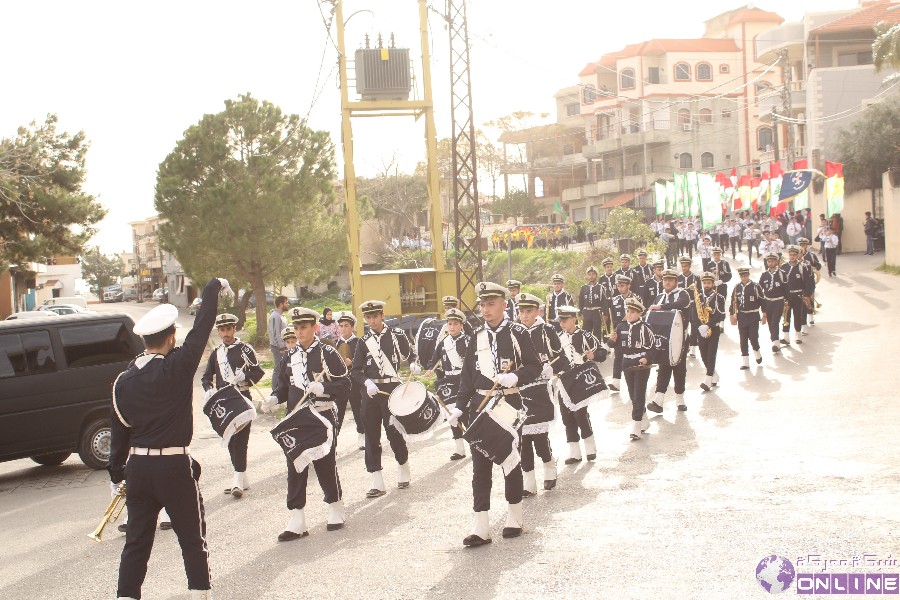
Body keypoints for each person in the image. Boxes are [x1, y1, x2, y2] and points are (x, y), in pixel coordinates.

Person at [108, 276, 228, 600]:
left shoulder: (123, 381)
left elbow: (119, 432)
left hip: (138, 470)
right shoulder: (176, 367)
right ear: (172, 337)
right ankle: (199, 595)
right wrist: (213, 288)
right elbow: (202, 328)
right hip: (173, 465)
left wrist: (116, 474)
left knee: (136, 543)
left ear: (144, 340)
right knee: (191, 538)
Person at [453, 282, 541, 547]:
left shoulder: (517, 333)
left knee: (510, 461)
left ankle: (515, 516)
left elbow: (535, 366)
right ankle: (481, 526)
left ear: (504, 305)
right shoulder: (476, 336)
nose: (485, 310)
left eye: (491, 304)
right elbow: (467, 377)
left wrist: (517, 375)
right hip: (480, 404)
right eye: (482, 305)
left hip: (508, 402)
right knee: (480, 467)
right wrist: (459, 406)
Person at [262, 307, 349, 542]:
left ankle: (335, 507)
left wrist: (325, 388)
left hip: (321, 416)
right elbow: (282, 387)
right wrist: (273, 398)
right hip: (296, 418)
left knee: (324, 463)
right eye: (296, 328)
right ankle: (297, 519)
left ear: (315, 328)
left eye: (304, 328)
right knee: (295, 467)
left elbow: (345, 386)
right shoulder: (289, 356)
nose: (299, 332)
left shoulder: (328, 353)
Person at [351, 300, 419, 498]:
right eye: (368, 317)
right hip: (371, 392)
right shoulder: (363, 342)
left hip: (392, 389)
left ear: (382, 315)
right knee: (371, 435)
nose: (372, 321)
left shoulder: (397, 335)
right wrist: (366, 383)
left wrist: (414, 365)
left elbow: (411, 355)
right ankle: (376, 480)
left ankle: (403, 466)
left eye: (375, 316)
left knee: (394, 432)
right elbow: (355, 370)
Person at [200, 313, 264, 498]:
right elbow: (206, 377)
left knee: (240, 440)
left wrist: (246, 377)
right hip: (224, 402)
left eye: (229, 329)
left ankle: (237, 480)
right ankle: (242, 477)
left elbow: (258, 372)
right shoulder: (216, 352)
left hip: (242, 398)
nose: (226, 333)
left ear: (234, 329)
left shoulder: (245, 349)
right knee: (230, 439)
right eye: (222, 330)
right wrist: (208, 390)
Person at [515, 294, 568, 494]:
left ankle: (549, 465)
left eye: (529, 311)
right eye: (521, 311)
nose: (525, 315)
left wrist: (551, 370)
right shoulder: (514, 331)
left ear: (538, 311)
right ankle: (528, 482)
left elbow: (561, 357)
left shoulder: (547, 330)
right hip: (520, 388)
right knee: (523, 439)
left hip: (540, 388)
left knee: (539, 437)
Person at [556, 305, 604, 463]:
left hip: (580, 379)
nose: (562, 323)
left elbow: (602, 353)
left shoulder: (585, 336)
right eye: (560, 320)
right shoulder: (557, 338)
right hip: (564, 381)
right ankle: (575, 452)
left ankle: (590, 448)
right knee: (566, 416)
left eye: (566, 320)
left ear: (574, 319)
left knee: (580, 415)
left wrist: (593, 354)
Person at [427, 308, 471, 462]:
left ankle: (474, 445)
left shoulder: (468, 341)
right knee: (452, 415)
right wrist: (430, 369)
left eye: (455, 324)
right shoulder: (443, 343)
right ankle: (459, 449)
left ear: (461, 325)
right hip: (448, 382)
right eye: (449, 323)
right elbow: (434, 359)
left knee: (466, 413)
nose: (452, 327)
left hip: (463, 380)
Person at [609, 297, 654, 441]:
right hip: (626, 362)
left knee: (639, 393)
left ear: (640, 313)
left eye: (633, 312)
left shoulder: (645, 327)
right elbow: (612, 345)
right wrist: (612, 340)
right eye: (627, 311)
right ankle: (644, 420)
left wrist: (646, 358)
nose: (629, 314)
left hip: (640, 364)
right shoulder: (621, 326)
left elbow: (653, 347)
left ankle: (636, 426)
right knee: (632, 394)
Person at [646, 269, 690, 413]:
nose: (668, 282)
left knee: (679, 368)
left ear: (676, 282)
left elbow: (680, 304)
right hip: (663, 340)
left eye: (671, 280)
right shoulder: (659, 297)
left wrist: (662, 307)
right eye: (665, 280)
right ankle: (658, 400)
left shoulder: (682, 294)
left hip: (680, 339)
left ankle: (680, 399)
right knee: (663, 367)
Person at [335, 312, 366, 449]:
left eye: (346, 326)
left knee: (357, 408)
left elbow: (365, 362)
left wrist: (352, 363)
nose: (343, 328)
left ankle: (362, 435)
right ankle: (334, 437)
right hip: (341, 383)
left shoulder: (359, 342)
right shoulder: (337, 343)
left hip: (355, 382)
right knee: (337, 411)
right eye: (341, 326)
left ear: (352, 327)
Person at [607, 275, 640, 392]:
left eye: (622, 286)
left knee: (632, 358)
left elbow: (641, 315)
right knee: (618, 357)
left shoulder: (636, 298)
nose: (620, 288)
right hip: (619, 332)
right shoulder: (615, 300)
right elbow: (613, 319)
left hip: (633, 331)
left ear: (628, 286)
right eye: (618, 286)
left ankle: (635, 384)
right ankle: (616, 383)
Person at [694, 272, 725, 391]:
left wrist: (708, 325)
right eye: (704, 283)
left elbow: (721, 315)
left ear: (713, 284)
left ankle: (707, 380)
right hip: (700, 330)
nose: (706, 285)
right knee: (703, 355)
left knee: (711, 354)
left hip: (713, 329)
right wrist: (699, 327)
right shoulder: (698, 297)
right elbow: (694, 314)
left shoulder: (719, 297)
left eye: (709, 283)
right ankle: (714, 375)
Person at [729, 268, 764, 369]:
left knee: (753, 338)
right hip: (742, 316)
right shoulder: (737, 287)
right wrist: (732, 314)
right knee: (743, 339)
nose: (744, 278)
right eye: (742, 276)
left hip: (753, 315)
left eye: (745, 276)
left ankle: (757, 353)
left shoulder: (755, 287)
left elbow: (762, 301)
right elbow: (733, 302)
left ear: (749, 275)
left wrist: (764, 314)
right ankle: (745, 362)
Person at [779, 246, 813, 345]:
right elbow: (780, 282)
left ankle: (798, 335)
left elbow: (807, 282)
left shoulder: (802, 267)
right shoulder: (783, 267)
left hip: (798, 295)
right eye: (790, 255)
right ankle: (786, 337)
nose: (792, 257)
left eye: (794, 255)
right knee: (786, 316)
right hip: (787, 296)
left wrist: (806, 295)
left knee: (797, 315)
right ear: (788, 255)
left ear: (798, 255)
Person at [758, 253, 788, 353]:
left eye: (773, 261)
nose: (770, 263)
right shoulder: (764, 275)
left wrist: (787, 300)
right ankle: (775, 340)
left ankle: (775, 343)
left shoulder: (781, 273)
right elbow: (759, 288)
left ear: (777, 262)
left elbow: (786, 288)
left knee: (775, 321)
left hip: (778, 301)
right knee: (770, 323)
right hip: (768, 302)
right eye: (769, 261)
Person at [677, 256, 700, 359]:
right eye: (682, 266)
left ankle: (693, 348)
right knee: (683, 327)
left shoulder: (695, 278)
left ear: (689, 266)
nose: (684, 268)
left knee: (694, 326)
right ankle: (684, 348)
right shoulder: (678, 278)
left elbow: (700, 293)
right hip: (682, 306)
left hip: (693, 304)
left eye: (686, 266)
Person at [578, 265, 609, 341]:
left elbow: (604, 301)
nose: (591, 276)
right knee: (585, 332)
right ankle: (587, 348)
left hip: (597, 313)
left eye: (593, 274)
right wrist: (579, 314)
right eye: (589, 275)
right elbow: (581, 301)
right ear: (587, 276)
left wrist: (605, 314)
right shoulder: (583, 288)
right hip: (586, 312)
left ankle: (597, 349)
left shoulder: (600, 287)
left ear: (596, 275)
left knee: (597, 332)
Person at [797, 238, 821, 328]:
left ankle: (810, 317)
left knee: (810, 298)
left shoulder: (811, 255)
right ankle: (803, 321)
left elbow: (818, 265)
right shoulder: (796, 256)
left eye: (803, 245)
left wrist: (814, 269)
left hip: (809, 280)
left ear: (806, 245)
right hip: (799, 282)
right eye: (800, 245)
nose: (802, 246)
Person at [269, 295, 290, 389]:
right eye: (286, 303)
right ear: (281, 304)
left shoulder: (282, 316)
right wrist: (281, 347)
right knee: (278, 369)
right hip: (278, 348)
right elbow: (274, 334)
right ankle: (275, 390)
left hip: (285, 346)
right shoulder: (275, 316)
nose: (288, 304)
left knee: (285, 368)